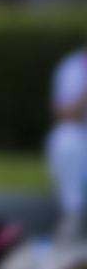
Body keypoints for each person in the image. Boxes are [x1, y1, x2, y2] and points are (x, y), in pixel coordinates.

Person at [50, 39, 87, 245]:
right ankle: (74, 214)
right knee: (65, 139)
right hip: (82, 139)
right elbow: (64, 115)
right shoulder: (71, 68)